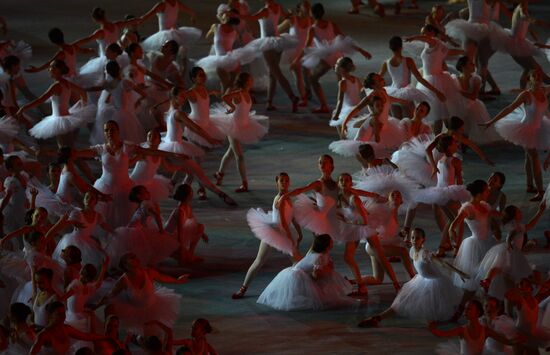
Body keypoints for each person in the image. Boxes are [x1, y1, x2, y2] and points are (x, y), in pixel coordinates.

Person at [358, 228, 465, 327]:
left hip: (435, 283)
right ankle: (378, 318)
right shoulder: (412, 251)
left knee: (440, 309)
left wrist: (459, 272)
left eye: (417, 238)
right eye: (413, 237)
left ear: (423, 240)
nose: (414, 240)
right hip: (421, 280)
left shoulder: (425, 254)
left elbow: (442, 263)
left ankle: (458, 317)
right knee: (402, 300)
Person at [480, 69, 550, 201]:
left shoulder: (545, 90)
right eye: (534, 76)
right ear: (530, 79)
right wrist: (492, 121)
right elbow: (509, 108)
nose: (538, 77)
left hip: (541, 127)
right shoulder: (526, 95)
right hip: (526, 129)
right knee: (533, 156)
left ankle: (530, 185)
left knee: (529, 156)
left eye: (540, 75)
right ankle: (540, 191)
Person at [232, 173, 302, 299]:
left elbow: (292, 218)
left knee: (297, 262)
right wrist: (291, 239)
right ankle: (243, 289)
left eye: (286, 181)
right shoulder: (279, 199)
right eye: (281, 181)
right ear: (277, 183)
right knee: (259, 261)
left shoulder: (288, 198)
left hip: (283, 233)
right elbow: (284, 224)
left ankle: (294, 289)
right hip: (274, 232)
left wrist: (299, 232)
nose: (284, 183)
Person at [297, 3, 371, 114]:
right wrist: (361, 50)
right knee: (342, 82)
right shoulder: (332, 24)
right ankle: (349, 104)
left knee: (313, 79)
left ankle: (324, 105)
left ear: (311, 14)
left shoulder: (312, 29)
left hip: (327, 57)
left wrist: (297, 59)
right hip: (337, 55)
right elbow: (345, 39)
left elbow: (306, 48)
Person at [257, 234, 353, 311]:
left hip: (303, 274)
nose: (333, 243)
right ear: (327, 245)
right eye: (331, 241)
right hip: (296, 276)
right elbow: (315, 276)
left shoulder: (324, 255)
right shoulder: (318, 257)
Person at [96, 253, 188, 332]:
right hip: (133, 309)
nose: (136, 258)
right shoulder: (124, 280)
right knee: (109, 307)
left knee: (151, 335)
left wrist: (178, 280)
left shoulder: (148, 272)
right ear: (125, 264)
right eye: (132, 257)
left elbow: (162, 277)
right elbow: (110, 294)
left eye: (135, 256)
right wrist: (95, 306)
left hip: (152, 308)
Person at [214, 73, 268, 192]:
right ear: (245, 82)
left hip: (243, 125)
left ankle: (219, 174)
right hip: (233, 126)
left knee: (231, 153)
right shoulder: (238, 93)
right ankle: (244, 183)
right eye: (250, 79)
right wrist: (232, 107)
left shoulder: (247, 93)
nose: (252, 81)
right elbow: (225, 97)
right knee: (240, 156)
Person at [429, 300, 515, 354]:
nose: (465, 311)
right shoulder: (462, 330)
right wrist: (433, 328)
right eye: (465, 309)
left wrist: (517, 341)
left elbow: (505, 341)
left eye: (469, 309)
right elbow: (443, 334)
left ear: (477, 312)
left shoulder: (485, 330)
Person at [30, 301, 111, 354]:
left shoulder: (65, 328)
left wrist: (106, 337)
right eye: (59, 314)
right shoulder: (44, 335)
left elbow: (86, 336)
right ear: (50, 315)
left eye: (63, 313)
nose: (63, 317)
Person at [164, 184, 210, 264]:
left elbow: (193, 223)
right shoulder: (180, 211)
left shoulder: (187, 207)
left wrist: (202, 234)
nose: (193, 193)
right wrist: (181, 250)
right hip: (169, 237)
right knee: (182, 256)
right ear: (188, 195)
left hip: (178, 233)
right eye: (191, 191)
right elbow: (180, 232)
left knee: (200, 227)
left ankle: (190, 254)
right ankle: (183, 255)